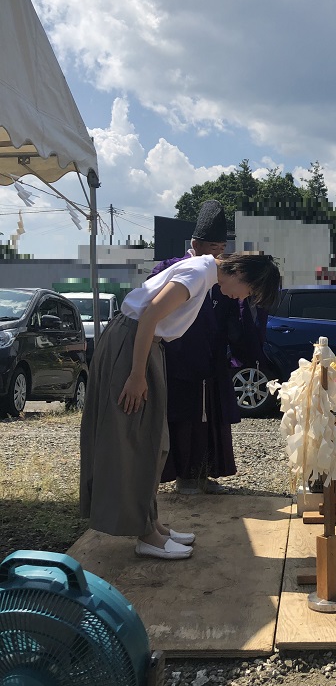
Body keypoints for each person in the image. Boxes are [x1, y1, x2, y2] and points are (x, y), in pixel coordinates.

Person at [79, 251, 280, 560]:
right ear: (241, 274)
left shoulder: (202, 273)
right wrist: (135, 375)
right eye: (250, 292)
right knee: (137, 439)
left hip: (143, 345)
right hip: (134, 345)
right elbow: (149, 316)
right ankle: (145, 535)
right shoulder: (198, 274)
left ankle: (151, 525)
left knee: (153, 439)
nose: (243, 298)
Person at [149, 200, 267, 495]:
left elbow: (235, 322)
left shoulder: (223, 275)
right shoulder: (172, 268)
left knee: (210, 421)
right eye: (210, 246)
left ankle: (203, 475)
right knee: (182, 419)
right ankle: (183, 478)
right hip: (177, 360)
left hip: (211, 360)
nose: (217, 253)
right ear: (194, 243)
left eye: (221, 246)